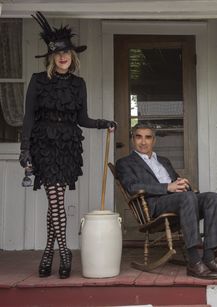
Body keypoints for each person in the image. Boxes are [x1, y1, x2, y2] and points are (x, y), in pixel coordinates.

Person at [19, 12, 116, 279]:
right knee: (56, 198)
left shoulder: (78, 84)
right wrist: (24, 149)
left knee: (55, 202)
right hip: (44, 145)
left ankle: (48, 249)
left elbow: (83, 118)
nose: (63, 57)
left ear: (73, 56)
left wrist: (104, 123)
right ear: (51, 56)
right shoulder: (38, 81)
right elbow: (28, 117)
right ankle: (63, 251)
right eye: (58, 53)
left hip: (68, 145)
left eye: (67, 53)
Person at [116, 123, 217, 279]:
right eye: (138, 137)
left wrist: (183, 184)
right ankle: (194, 260)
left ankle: (209, 257)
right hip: (155, 205)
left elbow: (176, 184)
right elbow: (133, 186)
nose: (143, 142)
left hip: (179, 201)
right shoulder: (125, 162)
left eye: (148, 137)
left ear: (154, 140)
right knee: (187, 197)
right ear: (133, 139)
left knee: (212, 197)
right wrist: (168, 187)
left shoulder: (164, 161)